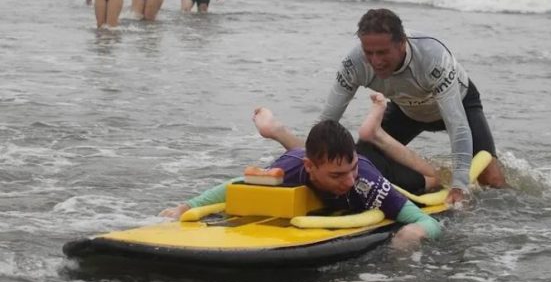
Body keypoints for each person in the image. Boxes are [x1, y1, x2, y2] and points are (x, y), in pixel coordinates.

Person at [160, 109, 441, 247]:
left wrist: (415, 232)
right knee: (297, 156)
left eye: (350, 170)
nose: (348, 181)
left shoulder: (366, 182)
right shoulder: (290, 169)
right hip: (305, 157)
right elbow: (234, 188)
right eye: (337, 175)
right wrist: (186, 207)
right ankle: (277, 130)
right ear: (310, 167)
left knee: (430, 181)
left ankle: (375, 133)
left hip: (379, 166)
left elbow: (427, 221)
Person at [319, 8, 507, 206]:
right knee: (365, 158)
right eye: (369, 52)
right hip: (406, 110)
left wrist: (459, 185)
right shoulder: (354, 63)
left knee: (491, 180)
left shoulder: (432, 57)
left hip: (460, 105)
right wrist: (313, 164)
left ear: (402, 43)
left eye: (382, 52)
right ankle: (427, 182)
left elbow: (457, 126)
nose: (375, 61)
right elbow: (326, 121)